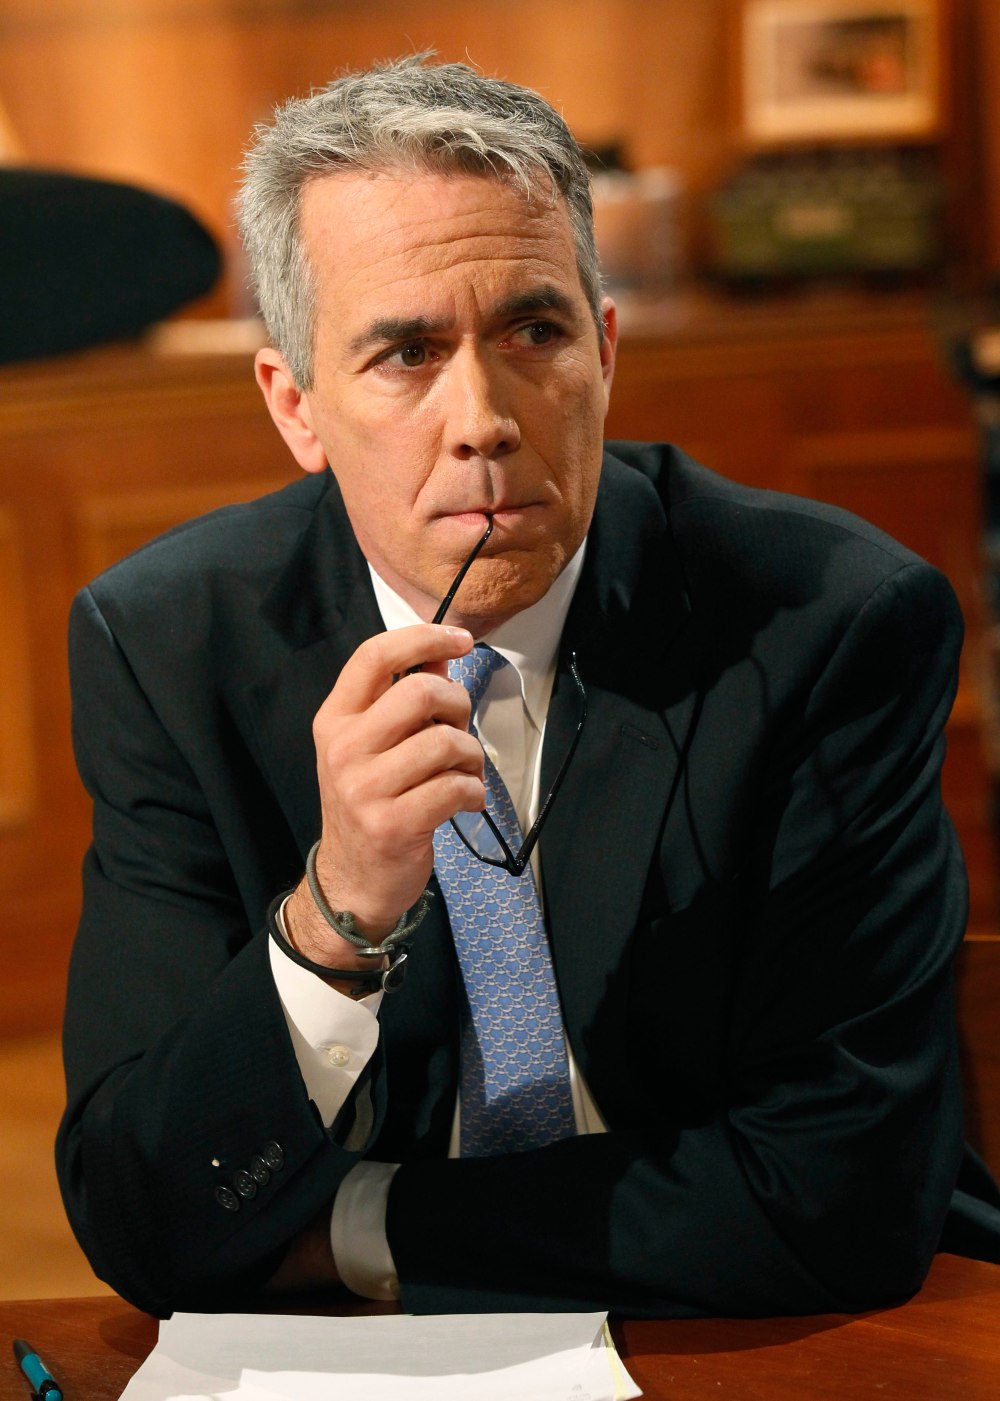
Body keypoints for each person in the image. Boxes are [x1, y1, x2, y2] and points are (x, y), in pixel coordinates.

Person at [57, 54, 1000, 1320]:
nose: (485, 417)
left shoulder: (828, 623)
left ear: (603, 352)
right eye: (403, 354)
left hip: (748, 1329)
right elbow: (142, 1203)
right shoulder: (168, 646)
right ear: (295, 404)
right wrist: (334, 918)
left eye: (533, 332)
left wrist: (354, 1226)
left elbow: (840, 1191)